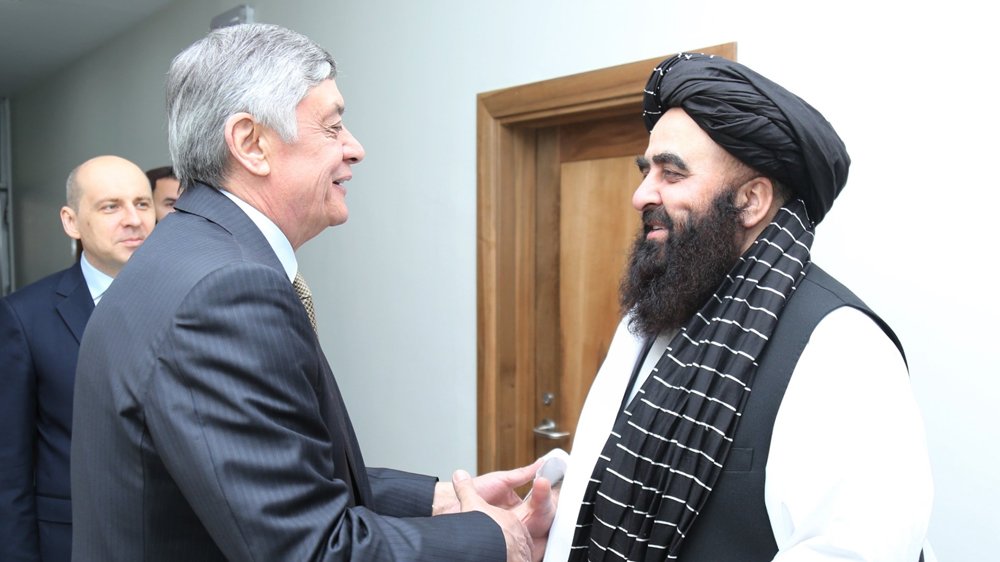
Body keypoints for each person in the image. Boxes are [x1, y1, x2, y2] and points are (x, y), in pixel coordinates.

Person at [71, 23, 554, 562]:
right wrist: (495, 538)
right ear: (251, 143)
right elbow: (311, 548)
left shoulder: (180, 253)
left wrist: (437, 500)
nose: (355, 148)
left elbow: (262, 470)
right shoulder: (227, 291)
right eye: (333, 127)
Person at [543, 53, 933, 561]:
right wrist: (556, 506)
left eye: (671, 173)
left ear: (751, 200)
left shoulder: (843, 348)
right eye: (646, 172)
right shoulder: (652, 316)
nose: (641, 195)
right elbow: (620, 463)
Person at [0, 155, 155, 562]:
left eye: (142, 203)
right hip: (74, 543)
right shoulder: (25, 317)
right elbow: (9, 468)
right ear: (71, 222)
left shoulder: (192, 300)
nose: (133, 219)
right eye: (110, 206)